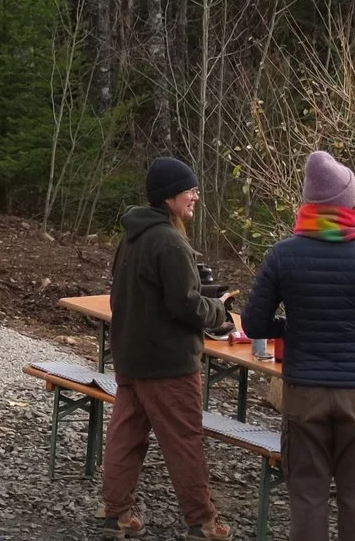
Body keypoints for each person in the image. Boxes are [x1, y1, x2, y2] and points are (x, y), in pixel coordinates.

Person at [240, 150, 355, 541]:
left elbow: (253, 323)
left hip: (304, 391)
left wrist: (290, 326)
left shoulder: (282, 256)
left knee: (307, 497)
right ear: (349, 202)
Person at [100, 155, 235, 541]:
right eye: (190, 190)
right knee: (184, 441)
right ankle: (203, 522)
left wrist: (203, 299)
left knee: (126, 437)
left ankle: (116, 514)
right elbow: (185, 305)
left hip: (131, 355)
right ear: (170, 197)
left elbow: (153, 293)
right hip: (169, 365)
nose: (195, 196)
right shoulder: (170, 240)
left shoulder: (133, 235)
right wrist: (218, 310)